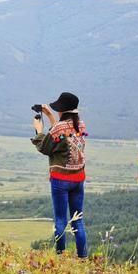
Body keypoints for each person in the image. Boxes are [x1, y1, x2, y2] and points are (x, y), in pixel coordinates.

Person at [31, 92, 88, 258]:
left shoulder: (59, 128)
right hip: (78, 178)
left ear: (62, 110)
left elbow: (46, 147)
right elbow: (62, 136)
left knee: (61, 220)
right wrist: (49, 115)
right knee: (78, 219)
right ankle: (83, 257)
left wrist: (39, 131)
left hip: (61, 180)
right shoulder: (81, 126)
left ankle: (60, 256)